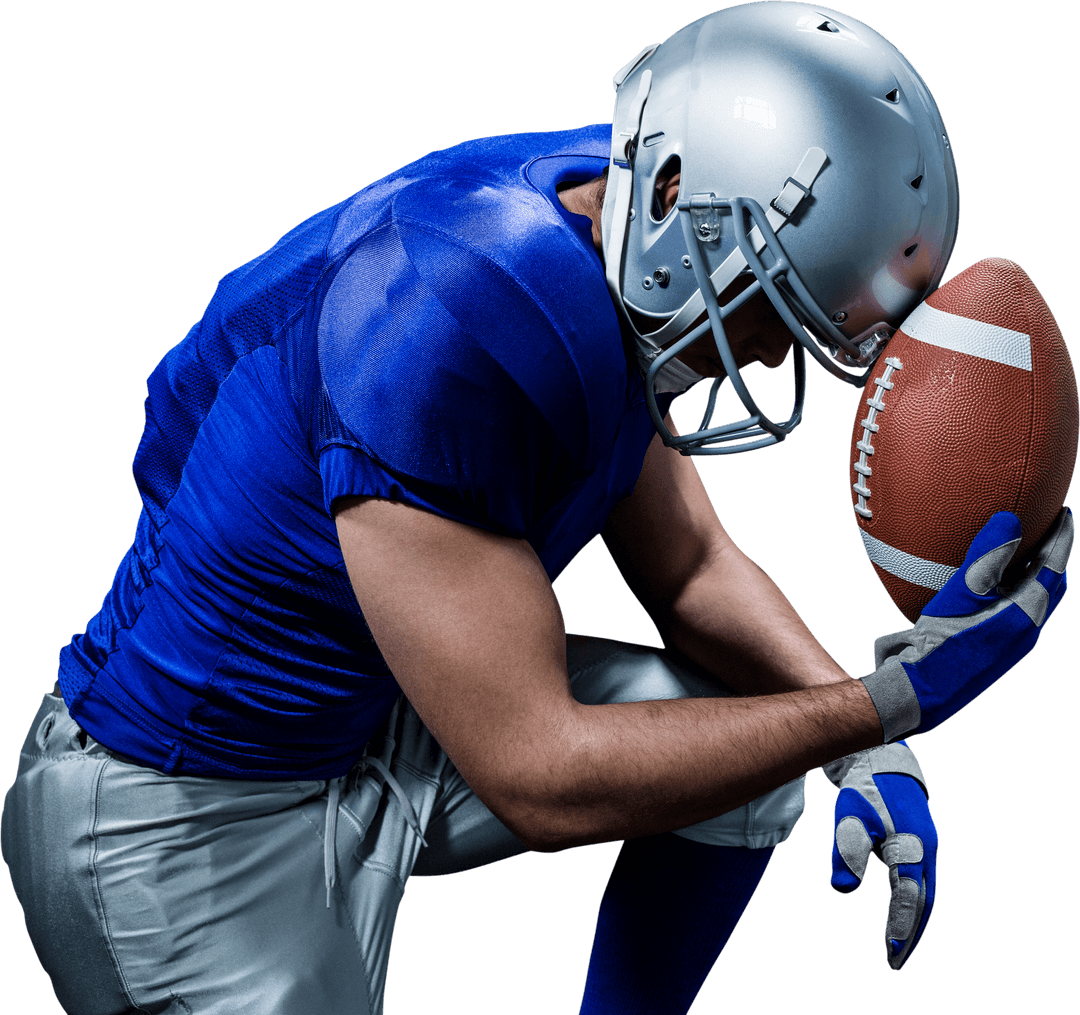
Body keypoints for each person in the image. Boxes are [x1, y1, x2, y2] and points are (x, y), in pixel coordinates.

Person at [1, 4, 1071, 1014]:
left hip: (371, 716)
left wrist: (859, 749)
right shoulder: (451, 311)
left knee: (747, 768)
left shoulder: (618, 216)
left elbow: (690, 566)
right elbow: (538, 778)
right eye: (762, 310)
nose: (761, 353)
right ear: (672, 199)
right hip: (181, 813)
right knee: (747, 737)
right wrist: (885, 704)